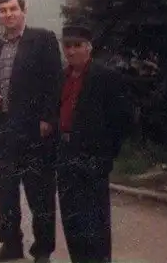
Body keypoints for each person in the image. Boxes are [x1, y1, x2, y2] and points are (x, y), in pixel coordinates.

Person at [0, 0, 63, 263]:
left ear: (23, 10)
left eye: (13, 9)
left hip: (34, 129)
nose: (8, 14)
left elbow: (54, 81)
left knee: (40, 193)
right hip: (4, 127)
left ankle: (43, 250)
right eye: (3, 10)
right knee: (5, 193)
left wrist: (48, 118)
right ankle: (11, 245)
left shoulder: (42, 39)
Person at [57, 25, 132, 263]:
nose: (71, 51)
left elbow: (122, 119)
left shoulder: (105, 77)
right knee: (71, 219)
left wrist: (106, 155)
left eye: (77, 45)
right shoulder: (62, 77)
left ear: (89, 48)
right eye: (67, 46)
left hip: (92, 158)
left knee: (94, 221)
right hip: (65, 154)